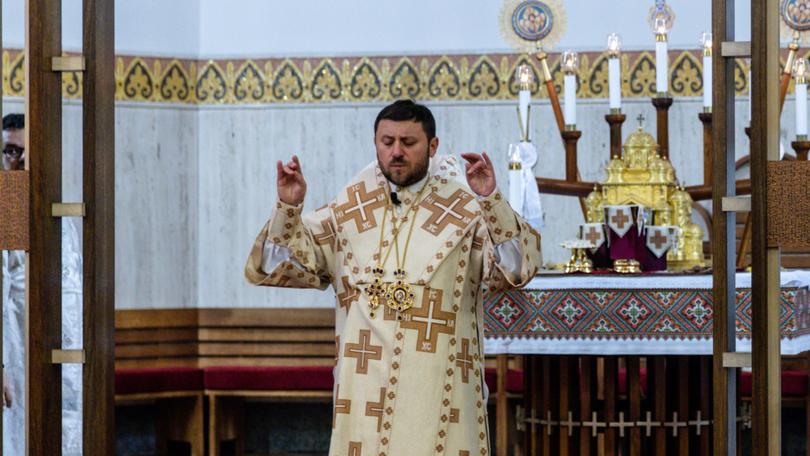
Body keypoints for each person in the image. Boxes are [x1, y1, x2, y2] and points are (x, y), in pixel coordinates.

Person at [245, 99, 541, 455]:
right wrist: (289, 207)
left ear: (433, 147)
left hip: (436, 387)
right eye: (387, 142)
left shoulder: (465, 207)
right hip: (366, 385)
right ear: (376, 144)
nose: (396, 152)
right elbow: (282, 262)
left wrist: (491, 200)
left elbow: (516, 268)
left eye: (408, 142)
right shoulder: (352, 206)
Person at [1, 113, 83, 456]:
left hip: (65, 351)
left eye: (23, 152)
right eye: (10, 152)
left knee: (68, 434)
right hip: (18, 350)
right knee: (19, 435)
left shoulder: (59, 210)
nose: (17, 161)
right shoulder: (8, 207)